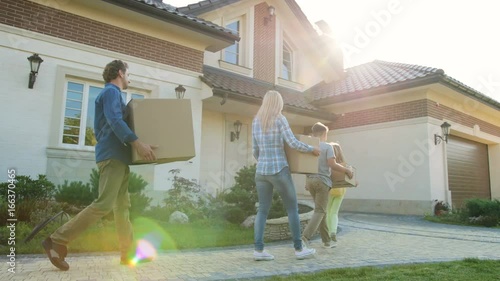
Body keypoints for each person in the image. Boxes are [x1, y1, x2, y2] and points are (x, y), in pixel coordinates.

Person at [42, 60, 157, 271]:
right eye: (128, 73)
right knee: (103, 204)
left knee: (122, 207)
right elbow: (115, 120)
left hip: (119, 158)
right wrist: (138, 144)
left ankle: (128, 253)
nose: (129, 78)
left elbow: (117, 121)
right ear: (120, 73)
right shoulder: (112, 92)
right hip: (112, 157)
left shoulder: (113, 95)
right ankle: (57, 240)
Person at [252, 90, 320, 261]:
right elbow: (292, 143)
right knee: (292, 209)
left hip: (261, 172)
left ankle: (258, 251)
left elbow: (255, 150)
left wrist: (263, 162)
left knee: (262, 210)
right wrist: (312, 149)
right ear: (278, 103)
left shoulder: (256, 121)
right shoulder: (280, 119)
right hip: (279, 170)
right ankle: (299, 249)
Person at [301, 123, 353, 248]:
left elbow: (305, 165)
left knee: (322, 210)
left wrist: (306, 183)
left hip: (310, 180)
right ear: (325, 134)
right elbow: (332, 164)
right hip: (322, 181)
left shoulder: (309, 147)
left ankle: (326, 241)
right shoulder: (327, 147)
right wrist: (346, 171)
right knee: (320, 211)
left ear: (313, 134)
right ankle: (304, 237)